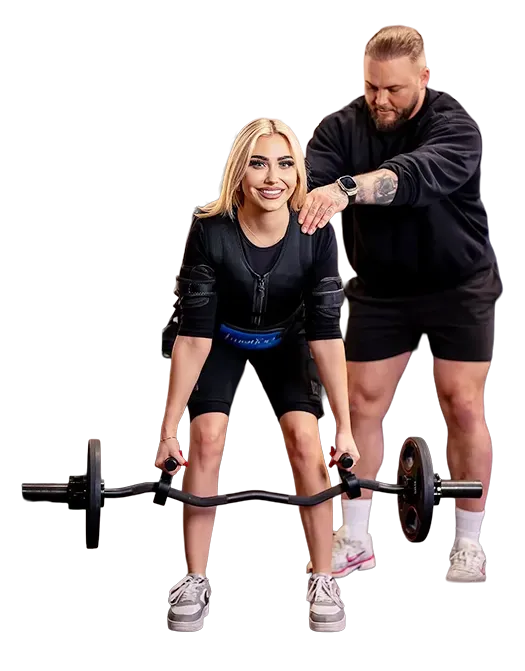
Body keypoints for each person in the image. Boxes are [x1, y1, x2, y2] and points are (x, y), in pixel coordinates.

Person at [301, 25, 502, 583]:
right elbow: (306, 187)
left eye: (393, 89)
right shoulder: (342, 128)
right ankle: (356, 538)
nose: (380, 100)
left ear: (424, 79)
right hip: (380, 287)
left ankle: (468, 543)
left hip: (458, 285)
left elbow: (411, 178)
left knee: (462, 402)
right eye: (372, 87)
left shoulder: (455, 127)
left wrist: (345, 191)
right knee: (358, 404)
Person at [156, 117, 360, 633]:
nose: (273, 178)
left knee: (304, 438)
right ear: (238, 172)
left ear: (299, 173)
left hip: (285, 338)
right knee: (206, 436)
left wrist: (345, 429)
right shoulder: (211, 231)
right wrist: (167, 432)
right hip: (221, 337)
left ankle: (323, 577)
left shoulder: (315, 233)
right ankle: (194, 580)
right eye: (259, 163)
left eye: (286, 164)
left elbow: (327, 335)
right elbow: (193, 336)